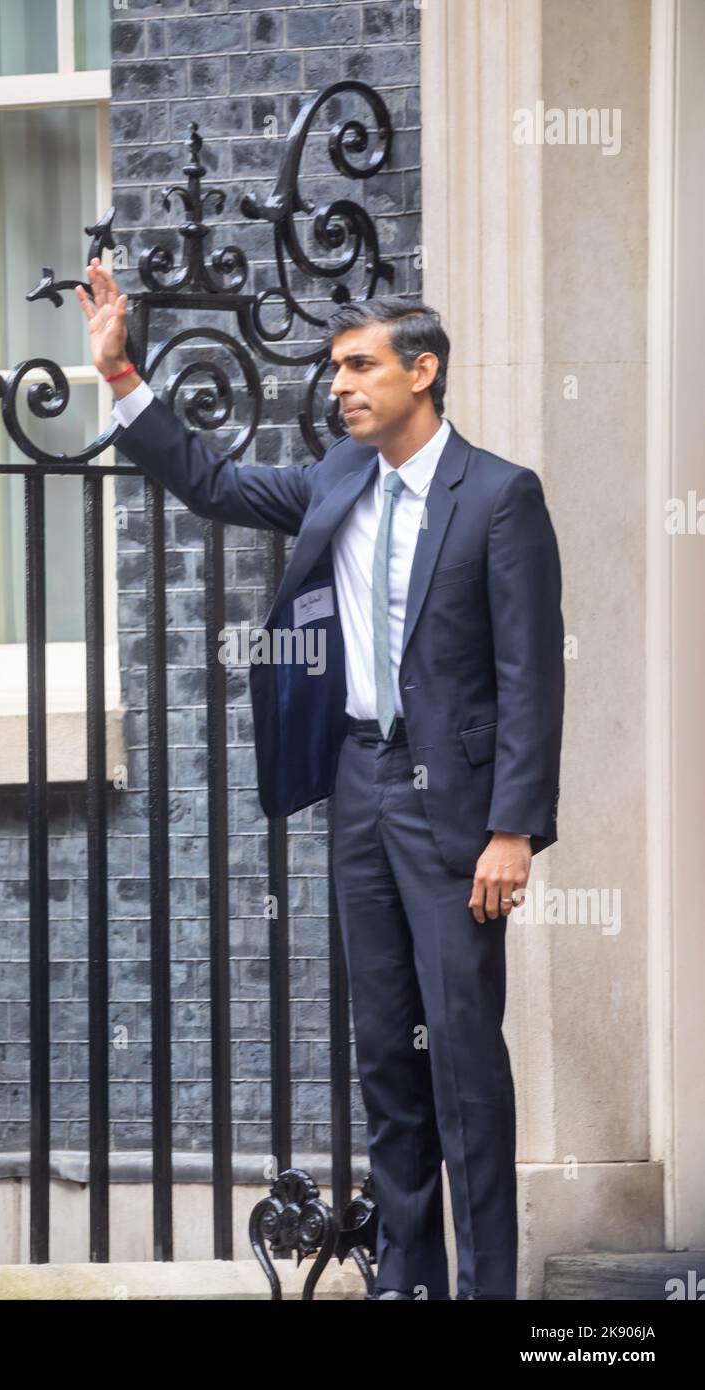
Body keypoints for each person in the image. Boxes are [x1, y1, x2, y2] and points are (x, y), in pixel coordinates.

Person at [76, 261, 565, 1301]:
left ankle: (486, 1291)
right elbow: (210, 483)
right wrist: (119, 373)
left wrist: (511, 828)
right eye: (334, 368)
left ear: (421, 371)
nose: (339, 385)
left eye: (358, 365)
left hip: (456, 812)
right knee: (387, 1050)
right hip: (360, 787)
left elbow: (530, 675)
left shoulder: (499, 497)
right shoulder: (336, 478)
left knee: (462, 1064)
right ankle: (405, 1281)